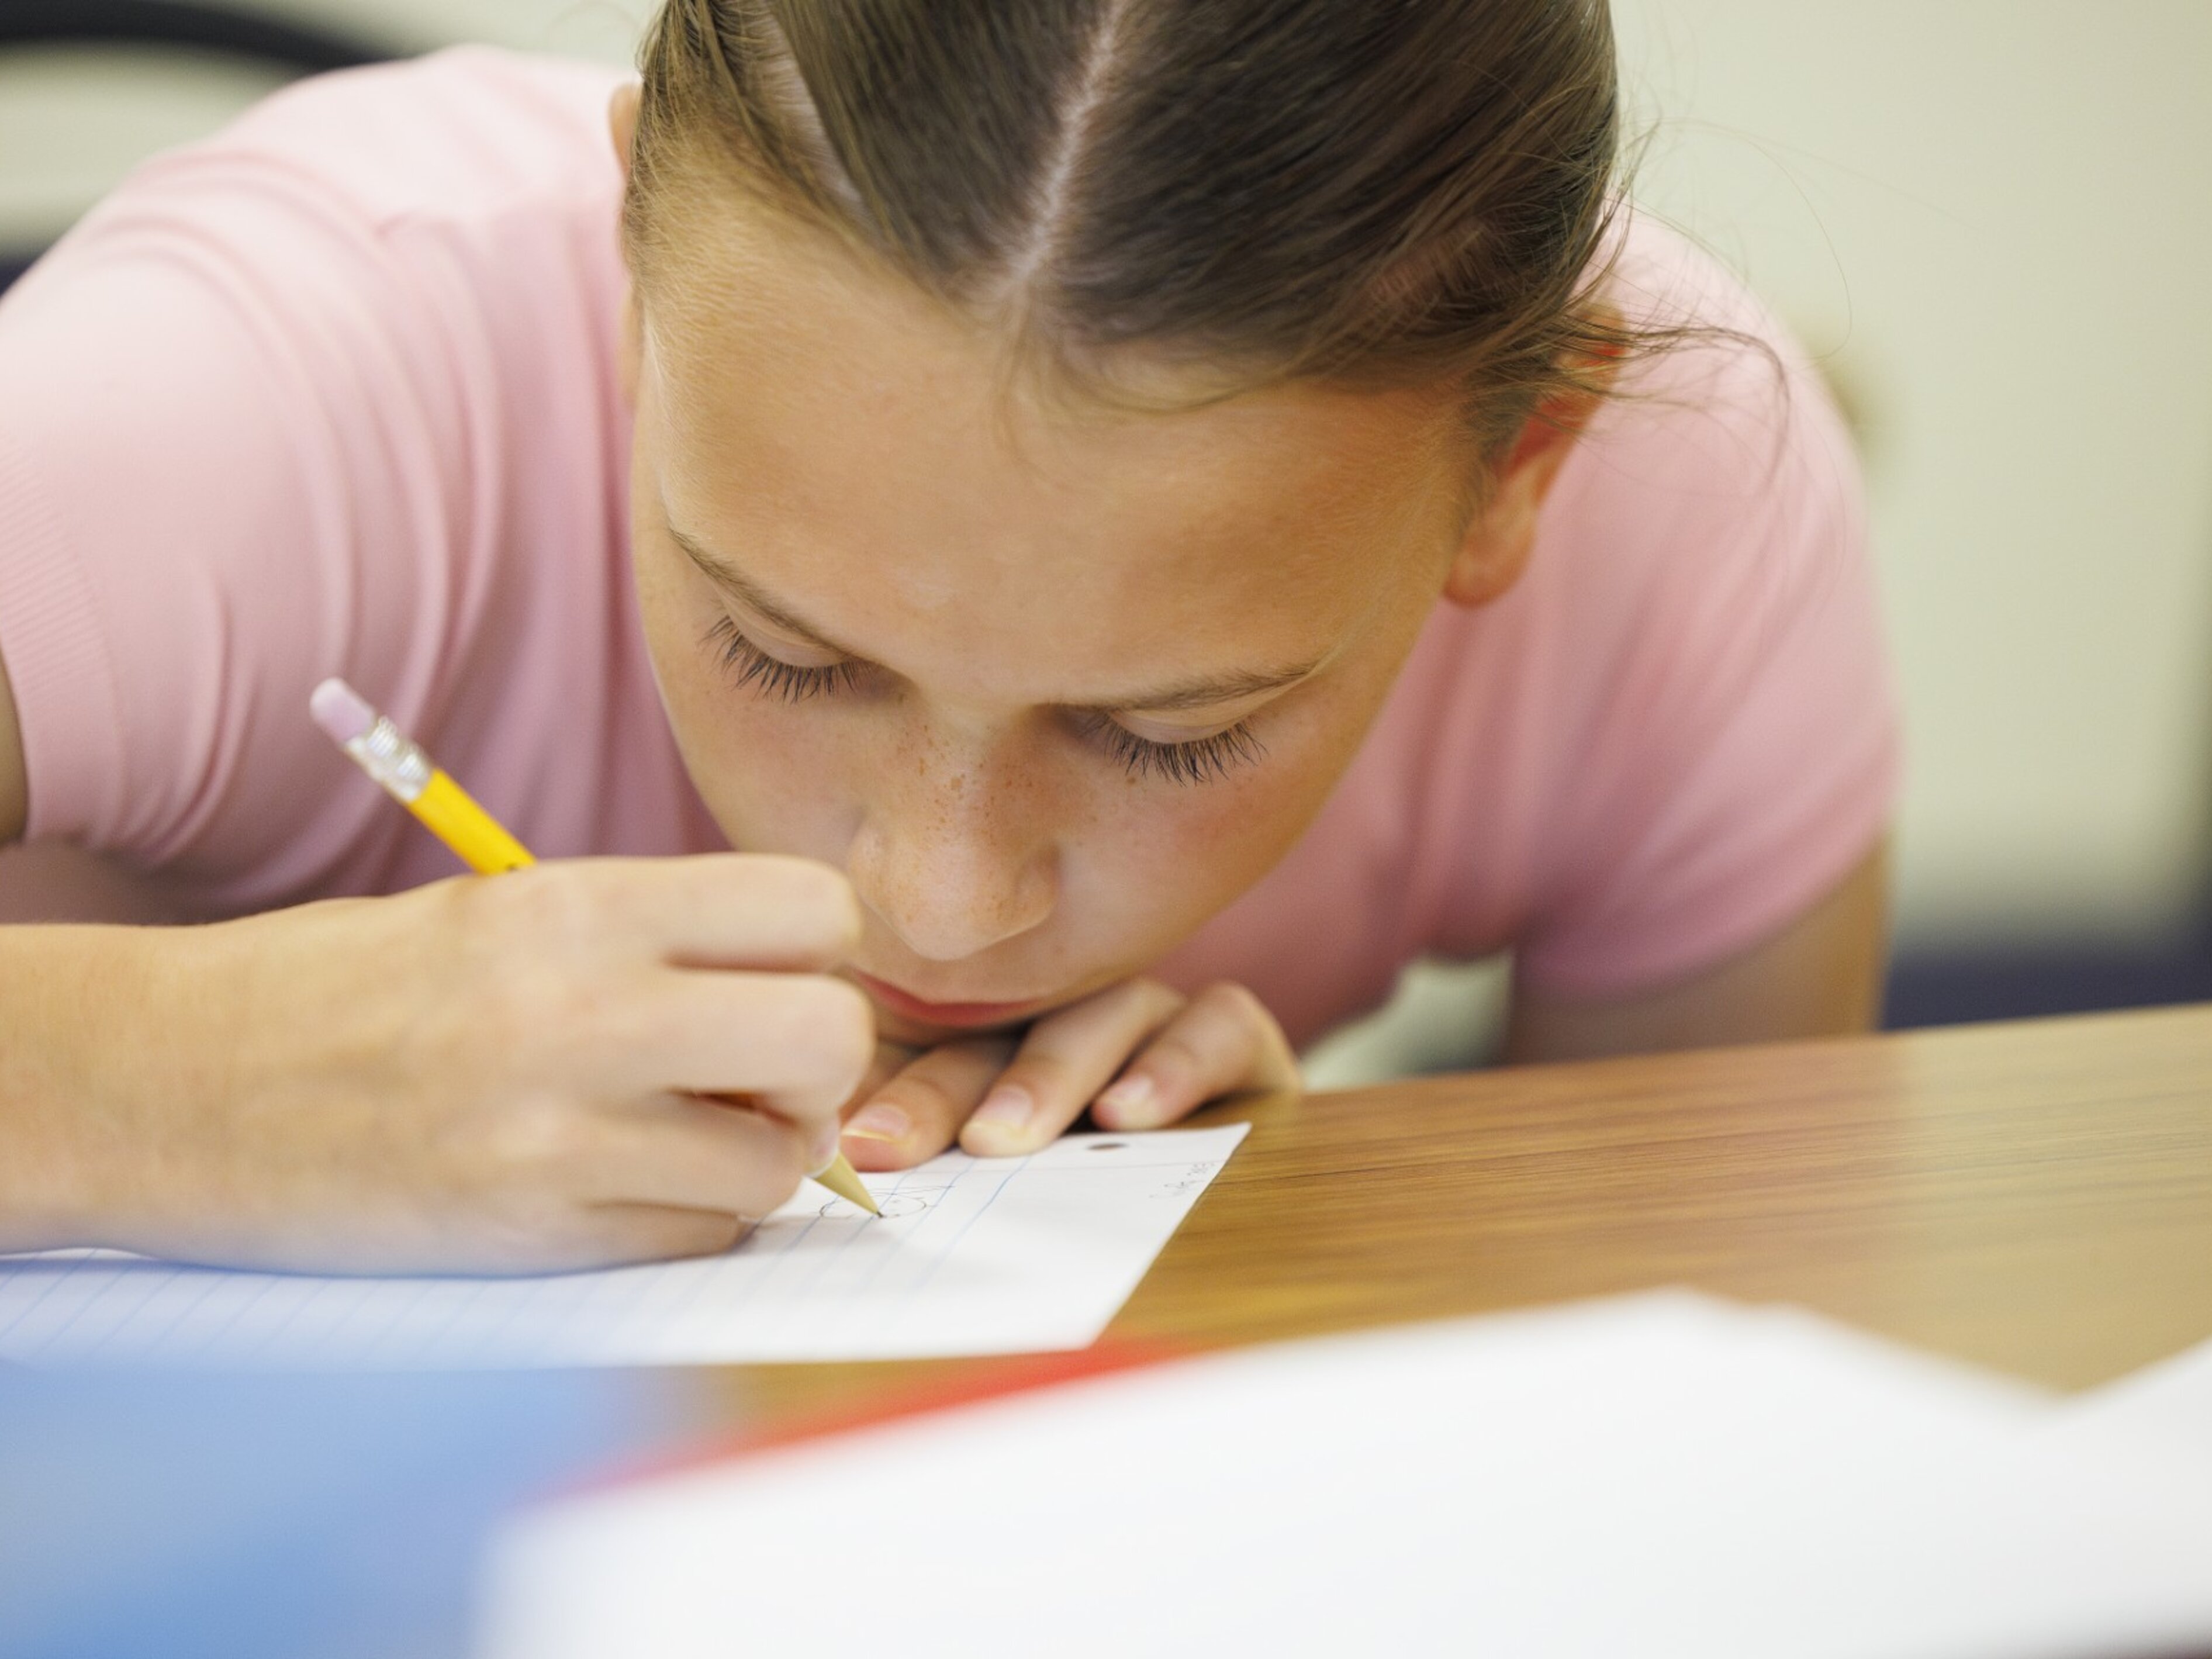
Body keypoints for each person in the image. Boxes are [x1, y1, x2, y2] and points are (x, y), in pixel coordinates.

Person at [0, 0, 1892, 1273]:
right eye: (788, 653)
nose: (941, 899)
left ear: (1519, 468)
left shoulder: (1683, 508)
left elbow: (1706, 1360)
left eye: (1168, 735)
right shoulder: (266, 391)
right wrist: (176, 1079)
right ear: (635, 273)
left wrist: (1246, 1230)